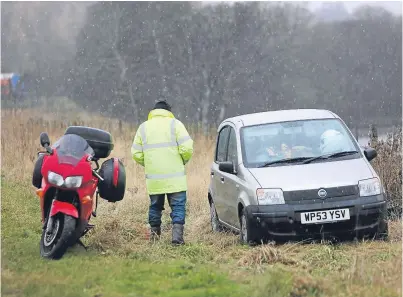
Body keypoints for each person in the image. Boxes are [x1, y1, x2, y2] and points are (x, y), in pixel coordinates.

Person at [131, 100, 194, 245]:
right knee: (178, 206)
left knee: (155, 206)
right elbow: (187, 148)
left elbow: (136, 153)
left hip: (154, 179)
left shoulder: (143, 127)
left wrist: (149, 164)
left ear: (153, 112)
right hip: (175, 177)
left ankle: (154, 238)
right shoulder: (176, 124)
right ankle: (177, 238)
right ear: (169, 111)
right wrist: (181, 161)